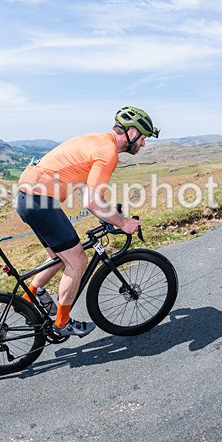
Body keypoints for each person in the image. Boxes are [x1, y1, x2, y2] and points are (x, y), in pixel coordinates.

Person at [15, 106, 159, 337]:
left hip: (26, 198)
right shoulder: (108, 152)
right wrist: (123, 223)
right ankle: (61, 324)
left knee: (59, 257)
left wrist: (110, 213)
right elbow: (91, 203)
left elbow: (88, 190)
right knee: (78, 262)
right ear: (131, 133)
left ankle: (28, 299)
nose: (143, 144)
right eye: (143, 138)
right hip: (40, 201)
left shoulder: (97, 140)